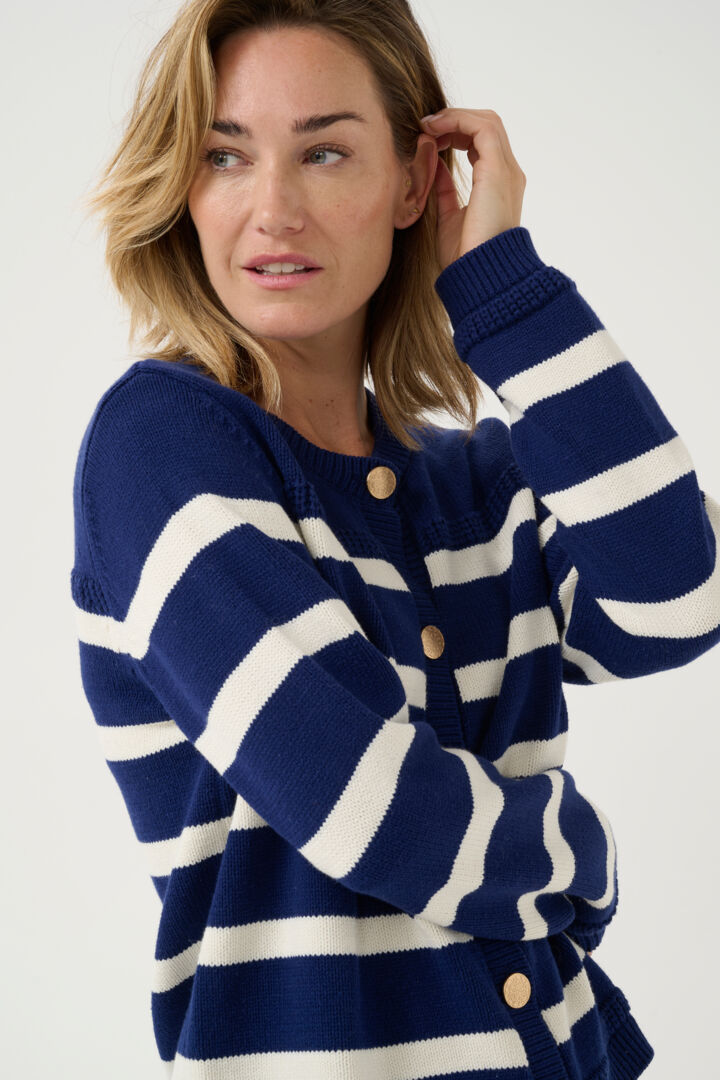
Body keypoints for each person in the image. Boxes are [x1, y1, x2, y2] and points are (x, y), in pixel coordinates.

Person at [69, 0, 720, 1077]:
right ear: (182, 187)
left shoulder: (476, 484)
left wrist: (503, 288)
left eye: (324, 151)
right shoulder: (160, 445)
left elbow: (680, 598)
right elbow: (363, 801)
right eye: (225, 157)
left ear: (416, 183)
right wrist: (579, 855)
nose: (273, 210)